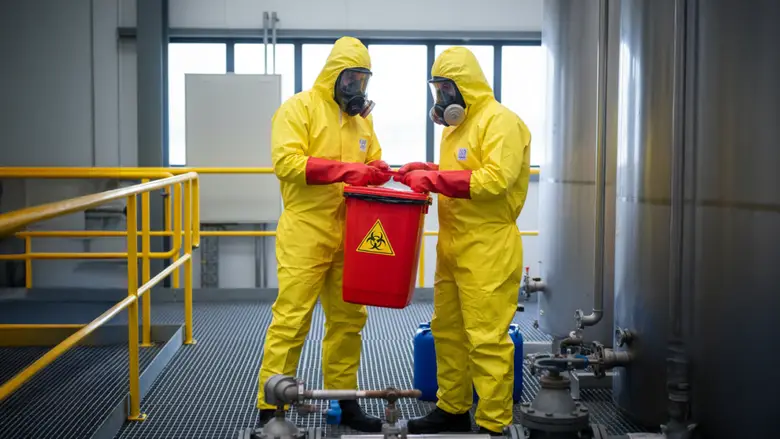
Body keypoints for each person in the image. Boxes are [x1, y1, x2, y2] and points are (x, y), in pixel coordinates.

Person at [256, 36, 391, 432]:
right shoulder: (298, 109)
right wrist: (348, 170)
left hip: (351, 232)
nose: (357, 89)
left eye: (363, 80)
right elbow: (288, 163)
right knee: (292, 319)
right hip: (306, 229)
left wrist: (379, 169)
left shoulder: (361, 120)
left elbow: (372, 160)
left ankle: (344, 402)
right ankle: (271, 405)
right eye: (350, 78)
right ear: (333, 75)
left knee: (349, 320)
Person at [396, 47, 532, 435]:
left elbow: (493, 180)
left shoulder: (501, 122)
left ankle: (493, 423)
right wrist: (429, 168)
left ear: (464, 87)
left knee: (486, 339)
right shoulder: (459, 127)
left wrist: (434, 180)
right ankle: (452, 408)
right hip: (453, 245)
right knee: (447, 331)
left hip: (488, 246)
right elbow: (462, 170)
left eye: (445, 90)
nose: (441, 101)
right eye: (436, 91)